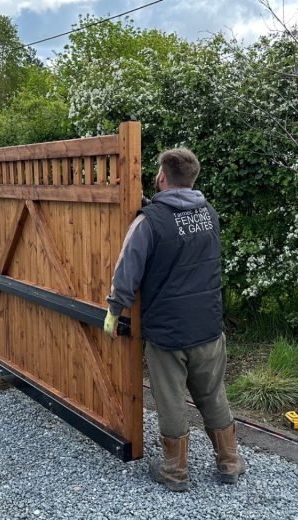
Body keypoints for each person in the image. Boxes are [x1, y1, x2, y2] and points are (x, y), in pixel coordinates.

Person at [104, 147, 246, 492]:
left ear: (162, 177)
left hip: (169, 332)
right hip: (208, 325)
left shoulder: (149, 222)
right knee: (212, 393)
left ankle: (175, 469)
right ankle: (229, 462)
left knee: (170, 400)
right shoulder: (209, 213)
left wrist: (113, 311)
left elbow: (127, 272)